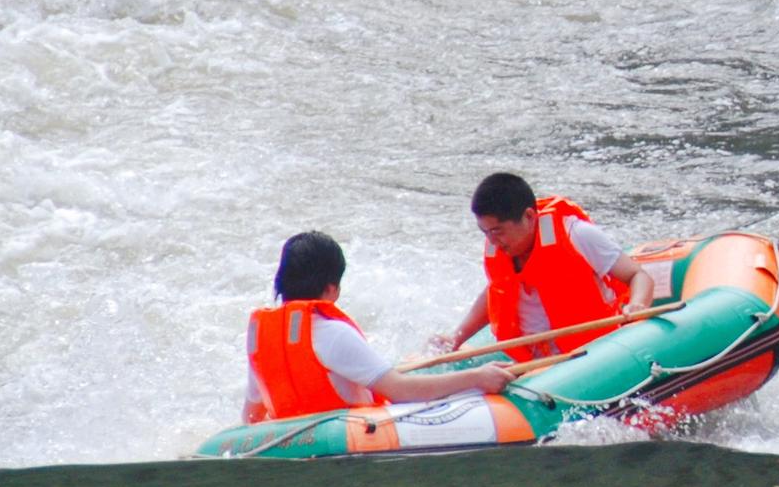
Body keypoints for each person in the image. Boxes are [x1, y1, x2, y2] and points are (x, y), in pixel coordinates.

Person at [243, 231, 515, 424]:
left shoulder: (261, 339)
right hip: (353, 440)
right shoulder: (332, 333)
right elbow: (400, 390)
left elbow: (252, 416)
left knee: (413, 364)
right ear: (331, 288)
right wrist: (477, 378)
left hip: (299, 443)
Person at [442, 171, 655, 361]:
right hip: (535, 364)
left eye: (497, 231)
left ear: (529, 217)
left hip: (592, 356)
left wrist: (638, 306)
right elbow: (496, 292)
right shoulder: (499, 247)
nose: (492, 241)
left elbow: (638, 275)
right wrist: (456, 338)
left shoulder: (577, 234)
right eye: (485, 232)